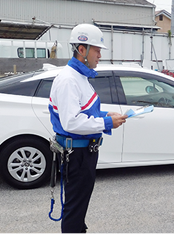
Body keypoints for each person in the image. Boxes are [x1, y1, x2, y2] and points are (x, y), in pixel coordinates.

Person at [48, 23, 127, 234]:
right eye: (97, 49)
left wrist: (105, 115)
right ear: (81, 49)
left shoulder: (80, 77)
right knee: (74, 210)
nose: (100, 55)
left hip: (84, 153)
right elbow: (71, 122)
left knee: (78, 208)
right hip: (77, 155)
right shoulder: (68, 80)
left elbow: (83, 112)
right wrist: (107, 123)